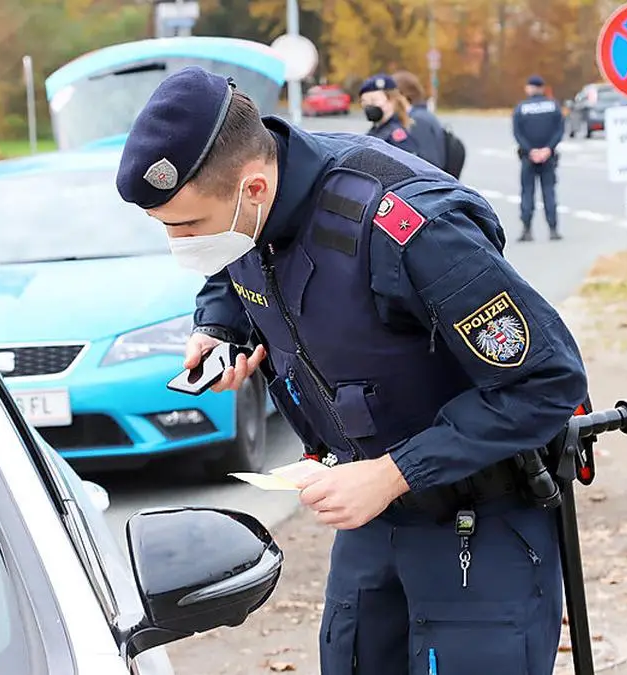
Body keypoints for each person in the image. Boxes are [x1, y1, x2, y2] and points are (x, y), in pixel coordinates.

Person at [114, 66, 589, 675]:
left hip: (478, 525)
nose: (181, 245)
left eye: (187, 228)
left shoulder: (407, 226)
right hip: (373, 522)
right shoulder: (248, 211)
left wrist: (392, 474)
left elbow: (546, 381)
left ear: (252, 188)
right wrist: (221, 328)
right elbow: (228, 267)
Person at [512, 75, 565, 242]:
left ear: (530, 88)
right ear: (542, 88)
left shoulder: (521, 108)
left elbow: (517, 132)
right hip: (548, 157)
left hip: (528, 157)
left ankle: (526, 230)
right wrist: (548, 149)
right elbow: (560, 129)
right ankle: (553, 229)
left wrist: (530, 150)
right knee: (549, 192)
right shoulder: (553, 106)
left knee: (527, 192)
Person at [391, 70, 448, 171]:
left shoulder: (417, 120)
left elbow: (429, 163)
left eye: (390, 96)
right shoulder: (420, 115)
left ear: (401, 95)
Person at [357, 74, 420, 158]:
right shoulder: (376, 130)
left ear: (391, 100)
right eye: (364, 102)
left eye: (374, 100)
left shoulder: (396, 136)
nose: (368, 106)